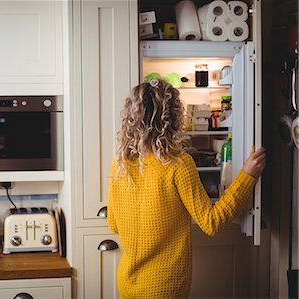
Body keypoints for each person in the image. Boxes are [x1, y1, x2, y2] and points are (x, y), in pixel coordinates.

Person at [107, 78, 266, 298]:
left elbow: (114, 224)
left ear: (131, 118)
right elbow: (211, 223)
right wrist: (247, 175)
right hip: (164, 288)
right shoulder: (177, 164)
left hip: (127, 283)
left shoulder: (120, 163)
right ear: (173, 118)